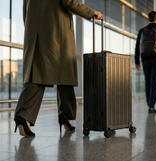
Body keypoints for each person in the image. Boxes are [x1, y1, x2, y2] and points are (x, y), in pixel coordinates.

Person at [14, 0, 103, 137]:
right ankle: (29, 116)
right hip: (57, 31)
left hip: (36, 31)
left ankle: (56, 116)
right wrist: (92, 12)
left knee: (40, 72)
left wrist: (33, 28)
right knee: (63, 73)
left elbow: (25, 10)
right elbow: (69, 2)